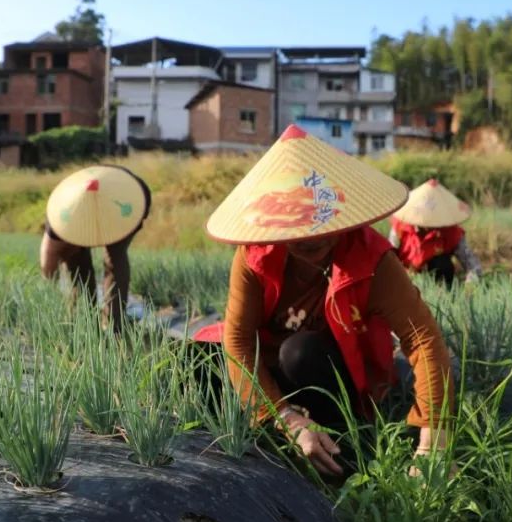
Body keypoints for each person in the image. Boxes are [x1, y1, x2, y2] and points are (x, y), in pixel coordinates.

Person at [194, 125, 454, 478]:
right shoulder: (254, 258)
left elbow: (421, 337)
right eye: (293, 230)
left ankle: (340, 450)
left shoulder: (371, 259)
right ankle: (278, 431)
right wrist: (286, 418)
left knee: (299, 352)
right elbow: (238, 340)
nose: (307, 239)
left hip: (333, 372)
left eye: (318, 228)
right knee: (194, 361)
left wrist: (432, 442)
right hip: (272, 370)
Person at [39, 164, 151, 336]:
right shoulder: (62, 221)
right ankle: (83, 320)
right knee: (76, 262)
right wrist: (50, 291)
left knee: (115, 259)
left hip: (125, 204)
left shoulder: (130, 196)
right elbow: (48, 264)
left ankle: (115, 326)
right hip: (81, 216)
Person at [388, 179, 482, 287]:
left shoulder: (452, 232)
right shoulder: (400, 228)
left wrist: (470, 286)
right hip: (407, 274)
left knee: (443, 263)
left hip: (438, 275)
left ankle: (444, 291)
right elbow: (390, 258)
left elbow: (473, 265)